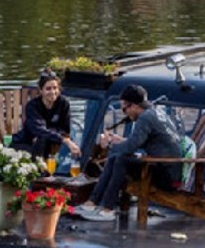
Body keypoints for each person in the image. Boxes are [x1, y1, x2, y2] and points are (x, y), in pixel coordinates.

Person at [75, 84, 184, 222]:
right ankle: (93, 203)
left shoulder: (144, 118)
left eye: (124, 109)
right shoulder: (155, 112)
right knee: (117, 157)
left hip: (166, 176)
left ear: (133, 106)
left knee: (120, 159)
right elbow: (144, 141)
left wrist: (109, 144)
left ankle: (107, 208)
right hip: (167, 168)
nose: (124, 113)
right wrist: (119, 140)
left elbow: (130, 147)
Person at [12, 68, 82, 161]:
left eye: (55, 88)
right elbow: (39, 130)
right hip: (26, 144)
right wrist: (63, 139)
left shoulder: (63, 103)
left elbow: (65, 130)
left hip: (51, 145)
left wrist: (62, 138)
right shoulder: (32, 106)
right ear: (41, 91)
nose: (53, 92)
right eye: (48, 89)